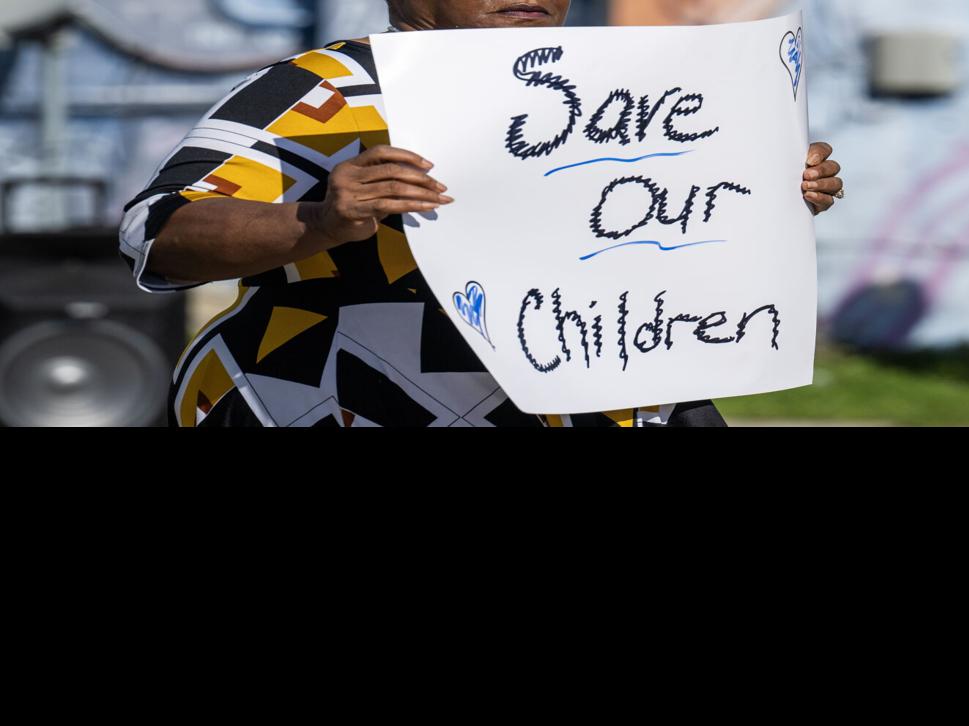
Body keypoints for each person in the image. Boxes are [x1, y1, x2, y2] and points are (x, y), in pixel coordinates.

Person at [118, 0, 844, 427]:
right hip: (330, 400)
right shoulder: (334, 88)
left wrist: (772, 193)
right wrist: (319, 221)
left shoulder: (640, 84)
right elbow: (159, 232)